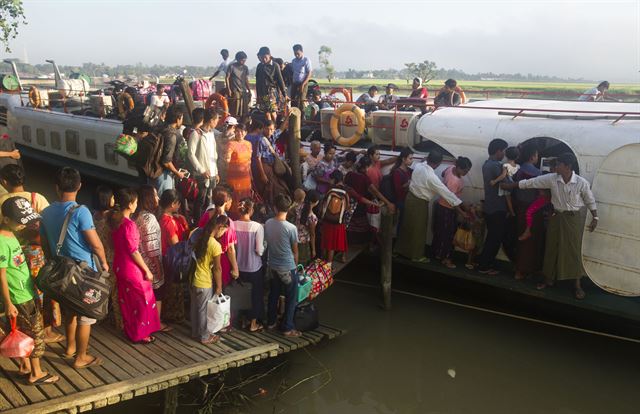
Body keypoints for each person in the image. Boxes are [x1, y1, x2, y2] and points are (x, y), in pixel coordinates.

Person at [503, 153, 598, 299]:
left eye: (558, 164)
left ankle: (577, 284)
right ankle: (548, 279)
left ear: (567, 166)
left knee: (572, 250)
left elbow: (589, 200)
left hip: (572, 219)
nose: (555, 167)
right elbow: (531, 182)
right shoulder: (552, 179)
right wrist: (511, 185)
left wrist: (595, 217)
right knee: (551, 248)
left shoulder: (581, 182)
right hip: (557, 217)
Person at [40, 167, 106, 368]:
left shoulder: (46, 212)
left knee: (70, 310)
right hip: (84, 271)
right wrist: (104, 263)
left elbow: (44, 242)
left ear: (56, 187)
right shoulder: (81, 211)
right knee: (85, 315)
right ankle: (81, 357)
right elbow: (95, 243)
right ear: (79, 186)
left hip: (62, 271)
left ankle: (69, 348)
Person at [0, 197, 59, 384]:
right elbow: (1, 274)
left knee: (23, 332)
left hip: (24, 292)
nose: (23, 225)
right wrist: (8, 302)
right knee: (35, 334)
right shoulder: (2, 241)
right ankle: (36, 373)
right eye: (20, 222)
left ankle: (24, 366)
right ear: (7, 220)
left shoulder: (11, 235)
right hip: (19, 296)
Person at [109, 188, 161, 344]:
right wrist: (147, 270)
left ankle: (131, 330)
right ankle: (140, 334)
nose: (137, 204)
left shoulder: (115, 222)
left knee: (127, 300)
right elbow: (134, 251)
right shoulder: (129, 225)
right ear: (130, 205)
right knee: (143, 299)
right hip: (131, 267)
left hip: (119, 264)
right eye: (136, 202)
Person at [394, 151, 464, 263]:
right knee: (419, 229)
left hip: (409, 198)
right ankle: (416, 256)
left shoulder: (419, 165)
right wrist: (461, 206)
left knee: (406, 226)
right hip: (419, 203)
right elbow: (446, 192)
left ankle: (400, 250)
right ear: (438, 163)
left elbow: (423, 162)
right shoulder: (431, 177)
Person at [264, 194, 300, 337]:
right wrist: (295, 269)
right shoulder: (291, 228)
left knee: (274, 294)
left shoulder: (268, 223)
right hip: (287, 267)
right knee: (292, 298)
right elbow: (295, 252)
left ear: (275, 207)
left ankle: (271, 322)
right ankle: (287, 328)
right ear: (289, 208)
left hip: (272, 265)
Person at [190, 215, 229, 344]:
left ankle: (195, 332)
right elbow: (217, 268)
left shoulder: (198, 237)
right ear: (220, 227)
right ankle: (205, 336)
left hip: (192, 278)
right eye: (224, 231)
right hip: (204, 281)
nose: (223, 234)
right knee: (203, 311)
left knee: (195, 307)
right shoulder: (215, 245)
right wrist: (219, 286)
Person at [135, 185, 168, 329]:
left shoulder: (138, 216)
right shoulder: (149, 218)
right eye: (155, 195)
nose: (158, 198)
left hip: (141, 262)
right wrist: (157, 267)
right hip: (150, 263)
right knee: (157, 292)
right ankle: (156, 323)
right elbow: (151, 247)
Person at [432, 157, 473, 268]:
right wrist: (462, 212)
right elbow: (451, 201)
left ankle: (438, 254)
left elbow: (443, 174)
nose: (466, 173)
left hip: (441, 205)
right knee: (449, 235)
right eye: (465, 170)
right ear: (459, 167)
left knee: (440, 232)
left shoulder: (450, 168)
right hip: (447, 208)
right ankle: (446, 259)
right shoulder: (454, 181)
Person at [511, 144, 544, 280]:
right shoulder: (538, 173)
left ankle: (519, 269)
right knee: (531, 241)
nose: (537, 157)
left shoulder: (518, 170)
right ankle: (527, 269)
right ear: (532, 157)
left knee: (520, 239)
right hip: (532, 210)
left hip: (519, 208)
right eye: (536, 155)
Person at [476, 139, 510, 275]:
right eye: (504, 151)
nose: (504, 154)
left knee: (492, 237)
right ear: (498, 151)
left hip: (490, 206)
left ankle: (484, 263)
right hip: (498, 207)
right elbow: (506, 183)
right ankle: (484, 265)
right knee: (494, 239)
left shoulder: (487, 164)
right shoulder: (496, 166)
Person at [92, 185, 122, 331]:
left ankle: (98, 317)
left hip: (97, 259)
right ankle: (119, 322)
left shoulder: (94, 216)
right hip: (112, 258)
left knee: (101, 289)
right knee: (115, 293)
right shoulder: (112, 217)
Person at [158, 189, 189, 322]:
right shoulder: (168, 222)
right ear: (173, 204)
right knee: (174, 288)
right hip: (172, 259)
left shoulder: (165, 218)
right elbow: (175, 243)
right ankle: (173, 315)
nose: (179, 206)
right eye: (178, 203)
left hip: (167, 257)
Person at [198, 189, 239, 288]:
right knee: (219, 294)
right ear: (226, 202)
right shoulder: (227, 222)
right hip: (221, 262)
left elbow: (199, 233)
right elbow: (230, 249)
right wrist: (235, 268)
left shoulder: (206, 215)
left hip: (204, 260)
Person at [235, 199, 265, 332]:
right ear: (251, 210)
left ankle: (242, 320)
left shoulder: (232, 224)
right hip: (254, 267)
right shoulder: (257, 227)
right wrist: (265, 247)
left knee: (240, 293)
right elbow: (259, 250)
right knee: (255, 295)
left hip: (237, 266)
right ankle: (253, 323)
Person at [255, 120, 291, 206]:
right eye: (267, 129)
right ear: (263, 129)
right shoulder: (261, 140)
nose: (269, 131)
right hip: (265, 166)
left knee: (280, 185)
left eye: (271, 129)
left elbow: (281, 129)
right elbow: (258, 158)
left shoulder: (273, 136)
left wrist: (287, 116)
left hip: (274, 165)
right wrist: (262, 174)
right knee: (271, 188)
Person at [321, 171, 350, 263]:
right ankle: (329, 265)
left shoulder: (330, 191)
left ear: (334, 179)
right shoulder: (346, 192)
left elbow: (324, 206)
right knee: (333, 245)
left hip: (327, 221)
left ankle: (323, 263)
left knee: (326, 243)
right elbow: (348, 207)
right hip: (338, 221)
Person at [156, 107, 186, 194]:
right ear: (177, 119)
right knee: (164, 201)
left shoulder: (160, 127)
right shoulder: (171, 135)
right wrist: (177, 173)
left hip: (154, 170)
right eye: (181, 119)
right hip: (164, 174)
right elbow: (166, 161)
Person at [226, 123, 253, 217]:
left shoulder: (248, 144)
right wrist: (227, 158)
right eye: (237, 131)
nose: (239, 133)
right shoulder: (231, 143)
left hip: (246, 178)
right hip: (234, 179)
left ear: (245, 133)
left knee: (245, 199)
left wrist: (251, 175)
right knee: (235, 200)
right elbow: (227, 157)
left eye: (242, 131)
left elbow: (249, 161)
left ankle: (245, 217)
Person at [255, 46, 287, 122]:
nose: (263, 59)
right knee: (266, 112)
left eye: (265, 57)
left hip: (271, 93)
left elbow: (280, 80)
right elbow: (258, 82)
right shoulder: (260, 66)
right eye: (262, 57)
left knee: (272, 112)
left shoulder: (275, 65)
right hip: (263, 93)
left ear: (269, 55)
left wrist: (284, 94)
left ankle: (275, 126)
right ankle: (270, 127)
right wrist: (258, 95)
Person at [490, 146, 520, 217]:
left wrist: (494, 181)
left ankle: (511, 212)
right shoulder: (518, 166)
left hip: (507, 184)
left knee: (507, 199)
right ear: (517, 157)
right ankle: (511, 211)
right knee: (511, 199)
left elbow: (503, 176)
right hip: (514, 184)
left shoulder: (506, 165)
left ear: (505, 155)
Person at [295, 190, 320, 265]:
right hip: (303, 242)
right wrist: (313, 250)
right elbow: (312, 234)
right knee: (302, 263)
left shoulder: (298, 207)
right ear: (315, 202)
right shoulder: (312, 217)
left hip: (294, 238)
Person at [390, 148, 414, 225]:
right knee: (402, 223)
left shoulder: (409, 170)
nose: (412, 160)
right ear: (403, 159)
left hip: (407, 200)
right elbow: (398, 190)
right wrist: (408, 183)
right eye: (410, 158)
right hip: (401, 201)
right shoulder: (397, 172)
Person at [226, 51, 251, 121]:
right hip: (235, 90)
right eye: (242, 60)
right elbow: (227, 78)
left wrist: (249, 90)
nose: (244, 61)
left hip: (243, 90)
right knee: (235, 110)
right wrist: (229, 90)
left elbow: (246, 79)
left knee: (245, 110)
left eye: (245, 60)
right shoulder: (231, 66)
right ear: (237, 59)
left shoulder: (245, 68)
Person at [290, 44, 313, 110]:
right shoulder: (293, 61)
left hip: (303, 83)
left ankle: (302, 118)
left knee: (301, 100)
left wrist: (303, 84)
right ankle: (293, 116)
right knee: (293, 100)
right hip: (295, 83)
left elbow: (309, 73)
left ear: (302, 52)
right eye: (295, 54)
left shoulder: (306, 60)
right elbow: (293, 72)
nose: (296, 55)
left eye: (298, 54)